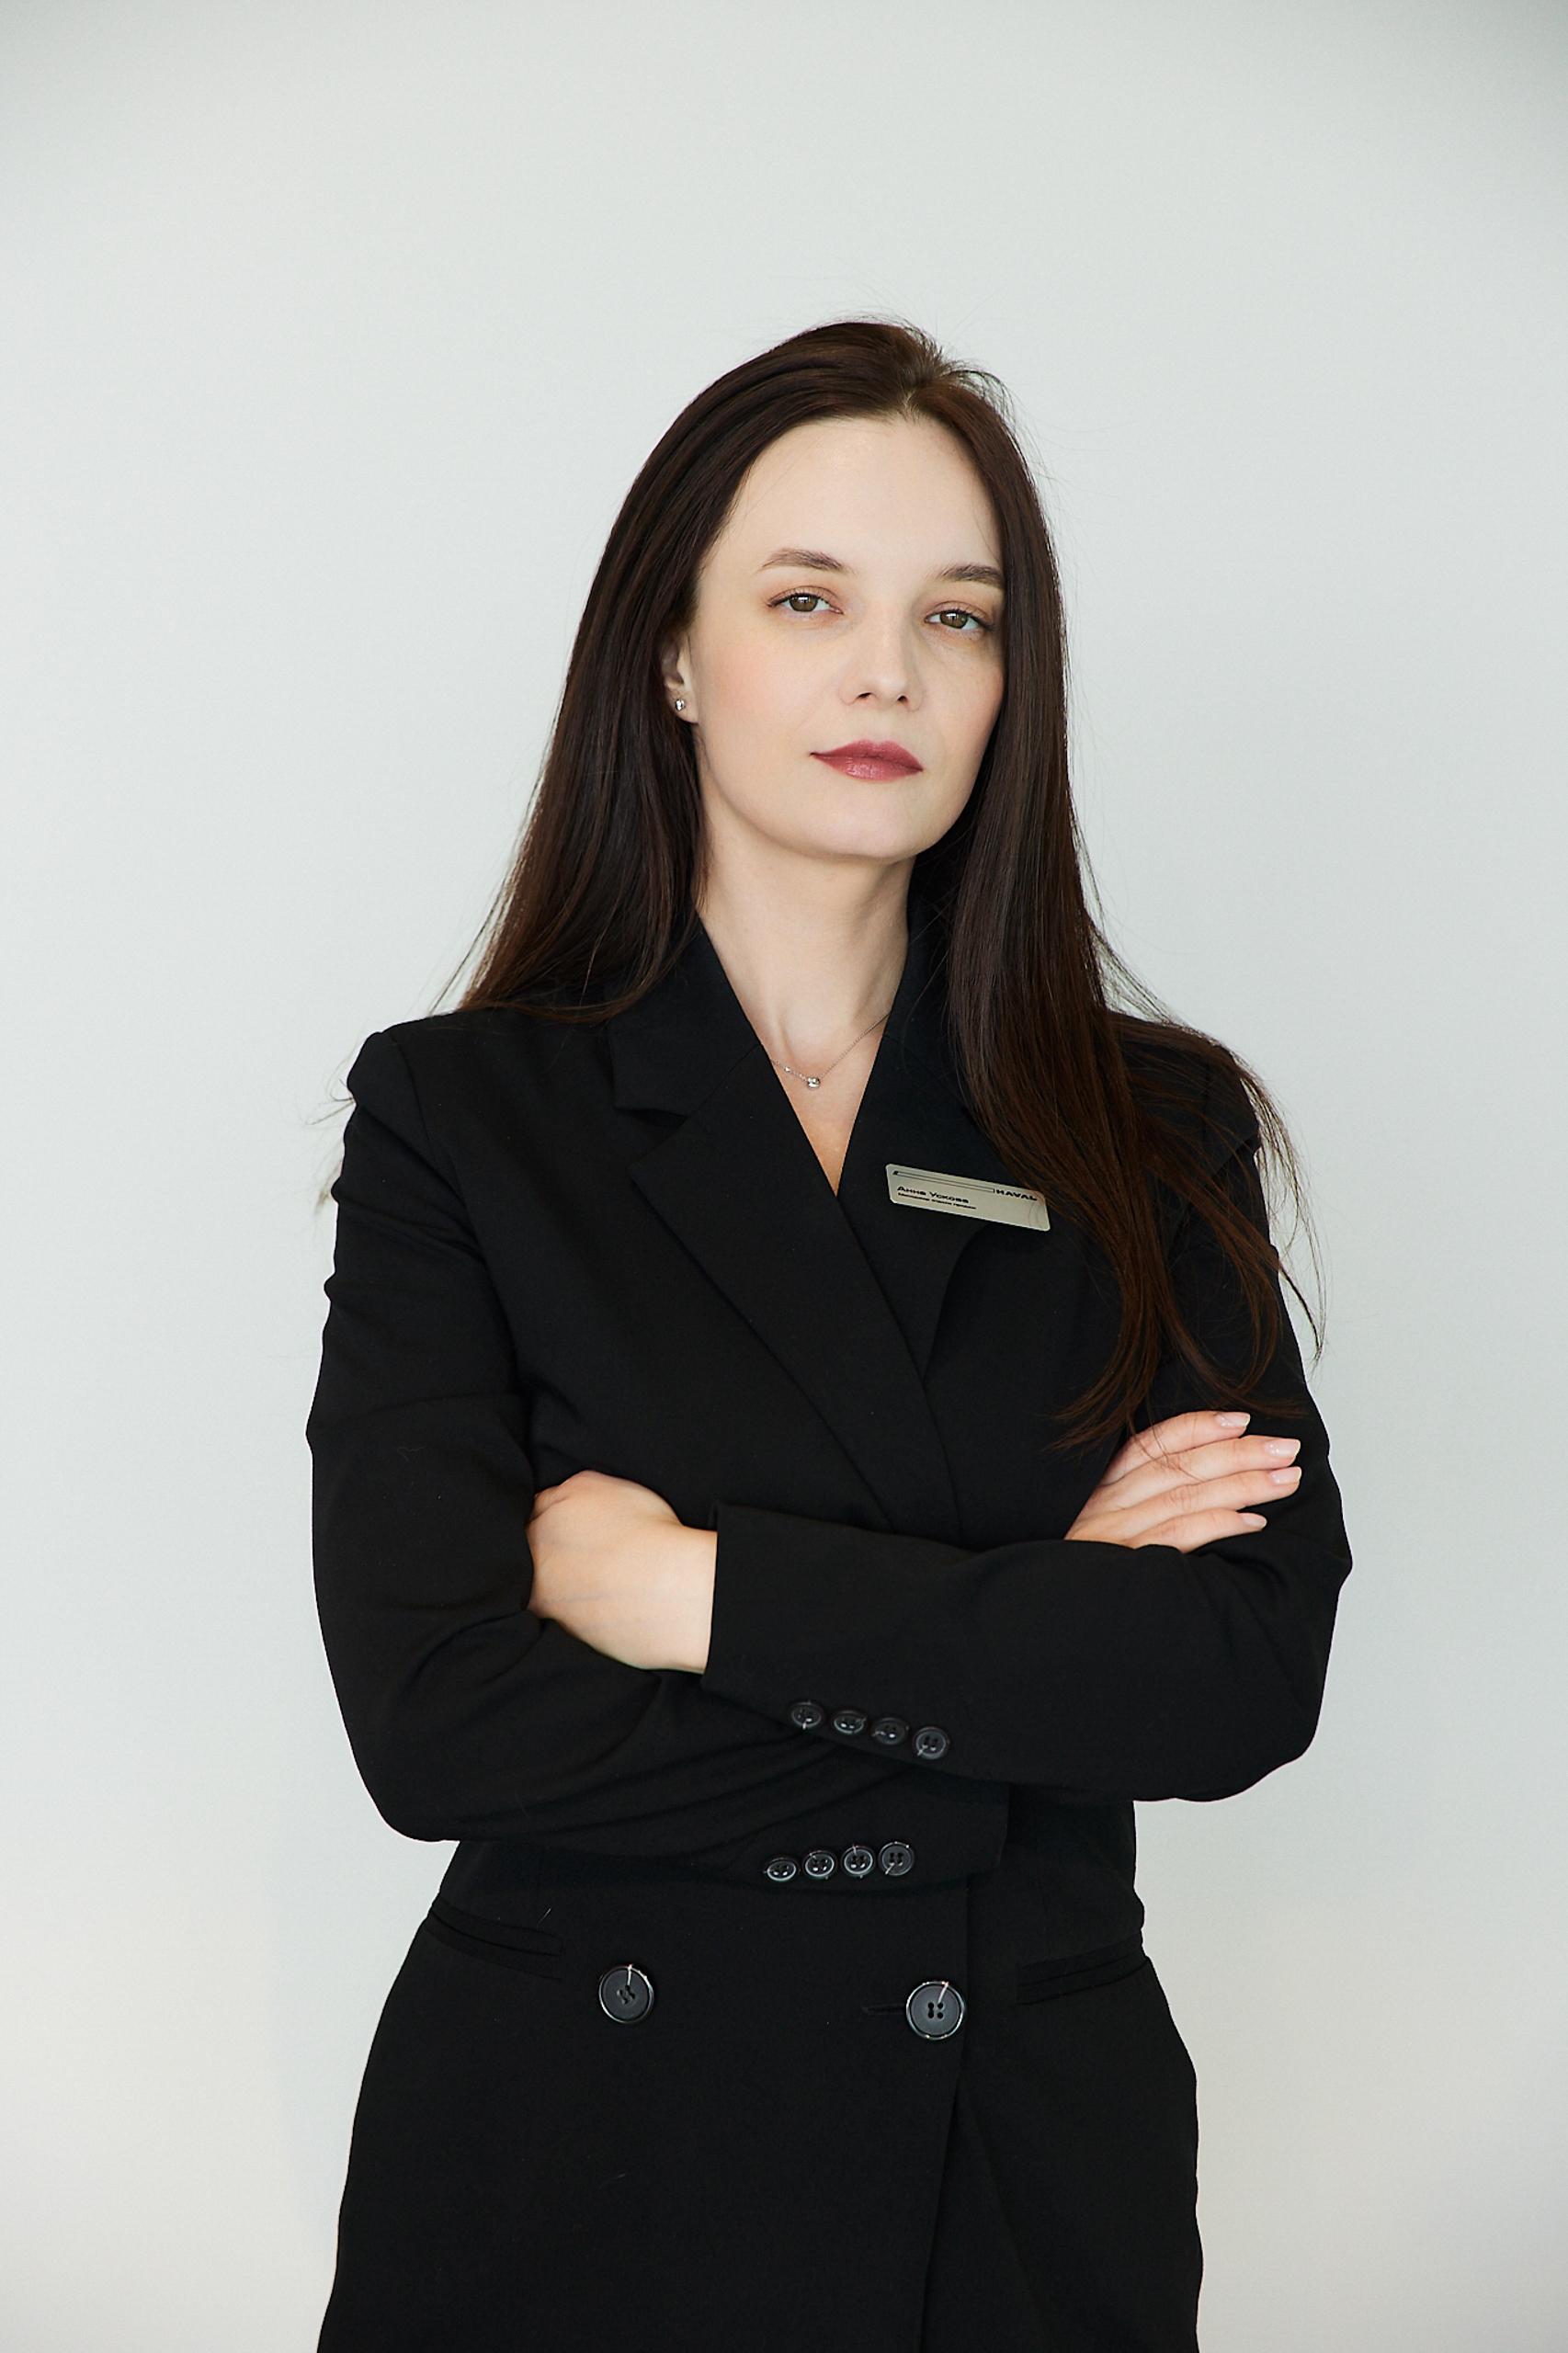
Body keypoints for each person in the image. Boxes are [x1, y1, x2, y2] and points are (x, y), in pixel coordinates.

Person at [305, 316, 1353, 2352]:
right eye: (808, 600)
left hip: (1014, 2171)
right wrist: (1029, 1656)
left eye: (957, 616)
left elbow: (1234, 1676)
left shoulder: (1147, 1125)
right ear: (673, 657)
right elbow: (436, 1719)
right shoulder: (464, 1115)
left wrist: (691, 1593)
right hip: (569, 2157)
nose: (890, 672)